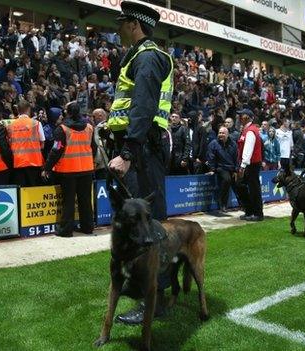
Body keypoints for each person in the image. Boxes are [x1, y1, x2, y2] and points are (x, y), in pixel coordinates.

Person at [106, 1, 172, 326]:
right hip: (142, 147)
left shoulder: (146, 57)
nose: (117, 28)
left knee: (148, 226)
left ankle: (153, 301)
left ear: (134, 24)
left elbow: (143, 107)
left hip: (142, 150)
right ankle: (157, 292)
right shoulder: (140, 57)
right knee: (149, 224)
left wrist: (128, 152)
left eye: (121, 23)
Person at [41, 102, 95, 237]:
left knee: (68, 201)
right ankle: (88, 227)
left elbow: (56, 150)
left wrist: (47, 168)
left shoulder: (62, 129)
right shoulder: (89, 127)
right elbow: (93, 147)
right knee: (85, 200)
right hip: (87, 169)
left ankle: (66, 230)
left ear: (68, 113)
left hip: (68, 170)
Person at [234, 109, 264, 221]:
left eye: (241, 115)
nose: (239, 117)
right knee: (240, 185)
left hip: (251, 164)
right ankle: (250, 210)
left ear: (247, 117)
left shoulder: (250, 131)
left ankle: (257, 213)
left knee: (253, 188)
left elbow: (248, 149)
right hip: (249, 163)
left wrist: (243, 165)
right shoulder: (247, 130)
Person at [7, 100, 45, 187]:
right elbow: (42, 144)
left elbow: (9, 143)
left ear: (18, 110)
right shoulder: (36, 123)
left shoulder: (10, 126)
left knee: (21, 191)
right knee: (33, 189)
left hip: (18, 162)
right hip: (34, 162)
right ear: (29, 109)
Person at [206, 126, 240, 212]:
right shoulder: (213, 143)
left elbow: (236, 157)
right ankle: (223, 204)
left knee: (239, 183)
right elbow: (211, 158)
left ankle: (243, 204)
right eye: (219, 133)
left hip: (232, 168)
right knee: (227, 179)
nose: (221, 135)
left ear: (228, 134)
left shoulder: (233, 144)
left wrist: (236, 170)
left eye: (223, 133)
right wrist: (212, 169)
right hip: (220, 167)